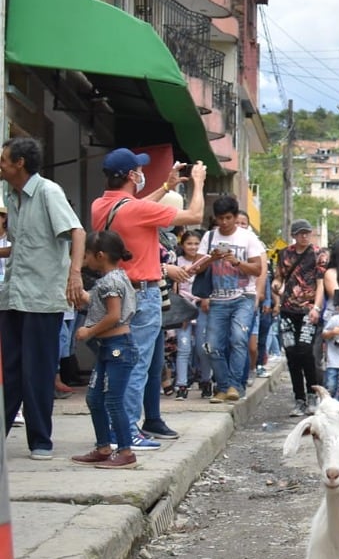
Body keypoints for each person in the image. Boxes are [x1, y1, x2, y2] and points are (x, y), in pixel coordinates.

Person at [90, 148, 207, 441]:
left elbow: (133, 207)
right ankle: (127, 431)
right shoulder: (137, 210)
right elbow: (194, 215)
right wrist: (198, 182)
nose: (143, 173)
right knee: (137, 365)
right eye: (140, 170)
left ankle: (127, 426)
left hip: (116, 294)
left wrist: (166, 187)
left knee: (129, 363)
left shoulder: (100, 206)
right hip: (142, 295)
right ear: (132, 175)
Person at [0, 137, 87, 460]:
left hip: (42, 298)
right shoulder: (11, 195)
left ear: (19, 163)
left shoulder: (48, 192)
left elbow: (77, 232)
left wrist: (74, 275)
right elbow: (24, 245)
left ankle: (40, 440)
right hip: (13, 296)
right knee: (9, 371)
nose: (0, 166)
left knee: (36, 371)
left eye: (4, 160)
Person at [70, 230, 141, 469]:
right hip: (108, 349)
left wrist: (88, 331)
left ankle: (126, 451)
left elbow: (113, 315)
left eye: (87, 255)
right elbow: (98, 302)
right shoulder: (112, 278)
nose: (85, 260)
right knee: (94, 398)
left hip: (119, 349)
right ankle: (103, 448)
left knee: (113, 401)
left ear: (100, 255)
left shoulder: (111, 281)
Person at [192, 195, 264, 405]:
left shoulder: (247, 237)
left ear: (234, 216)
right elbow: (196, 267)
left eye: (228, 218)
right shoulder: (209, 237)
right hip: (217, 299)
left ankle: (235, 385)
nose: (224, 222)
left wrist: (237, 262)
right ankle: (223, 387)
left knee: (239, 339)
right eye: (220, 218)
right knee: (212, 345)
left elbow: (257, 269)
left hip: (243, 297)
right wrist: (211, 258)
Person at [275, 218, 328, 415]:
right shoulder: (284, 254)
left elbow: (320, 283)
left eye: (307, 232)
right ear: (294, 235)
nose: (304, 236)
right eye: (300, 233)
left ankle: (312, 394)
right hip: (288, 309)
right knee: (291, 354)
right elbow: (279, 277)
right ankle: (299, 399)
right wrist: (276, 286)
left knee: (306, 351)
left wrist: (317, 307)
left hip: (308, 309)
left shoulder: (319, 254)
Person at [171, 229, 208, 400]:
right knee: (184, 347)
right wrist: (180, 312)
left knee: (202, 348)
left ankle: (206, 381)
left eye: (196, 244)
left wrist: (207, 299)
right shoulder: (177, 263)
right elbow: (175, 290)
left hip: (202, 309)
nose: (193, 247)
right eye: (189, 243)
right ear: (182, 245)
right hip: (183, 310)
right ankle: (182, 385)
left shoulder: (206, 262)